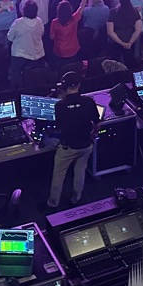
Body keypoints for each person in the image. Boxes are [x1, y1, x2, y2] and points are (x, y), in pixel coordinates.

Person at [47, 71, 100, 208]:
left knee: (59, 175)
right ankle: (76, 198)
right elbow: (97, 123)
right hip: (86, 145)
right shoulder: (89, 102)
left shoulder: (60, 106)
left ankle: (53, 203)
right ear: (79, 85)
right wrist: (93, 134)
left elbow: (58, 126)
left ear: (64, 87)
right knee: (80, 171)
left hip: (67, 148)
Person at [7, 0, 45, 87]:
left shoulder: (18, 23)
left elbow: (9, 37)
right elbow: (42, 33)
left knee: (16, 78)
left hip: (20, 56)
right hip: (37, 55)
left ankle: (16, 90)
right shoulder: (39, 21)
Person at [107, 0, 143, 67]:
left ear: (119, 0)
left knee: (115, 63)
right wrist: (130, 43)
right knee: (129, 61)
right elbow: (138, 30)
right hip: (130, 39)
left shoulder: (113, 12)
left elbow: (110, 32)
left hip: (115, 41)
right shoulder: (135, 11)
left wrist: (122, 43)